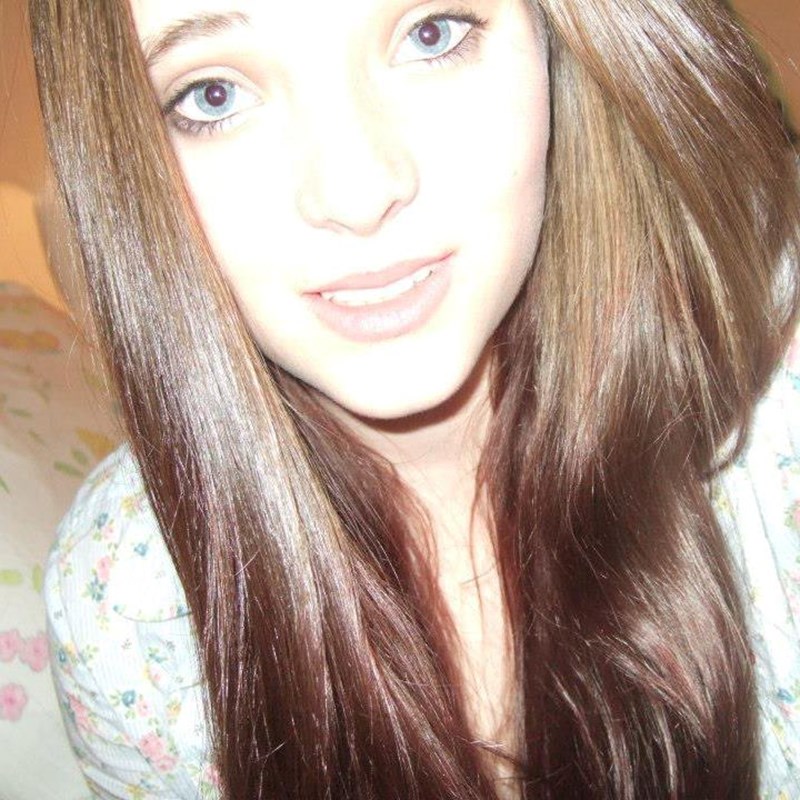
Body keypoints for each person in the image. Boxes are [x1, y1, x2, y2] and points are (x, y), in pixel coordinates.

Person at [29, 0, 800, 797]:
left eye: (432, 34)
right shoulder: (127, 609)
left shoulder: (779, 415)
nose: (357, 194)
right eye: (212, 95)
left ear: (558, 35)